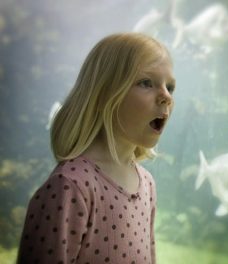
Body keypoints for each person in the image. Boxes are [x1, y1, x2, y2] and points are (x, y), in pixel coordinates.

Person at [17, 32, 176, 264]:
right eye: (146, 83)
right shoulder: (71, 186)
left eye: (170, 87)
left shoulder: (147, 185)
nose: (166, 97)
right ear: (103, 94)